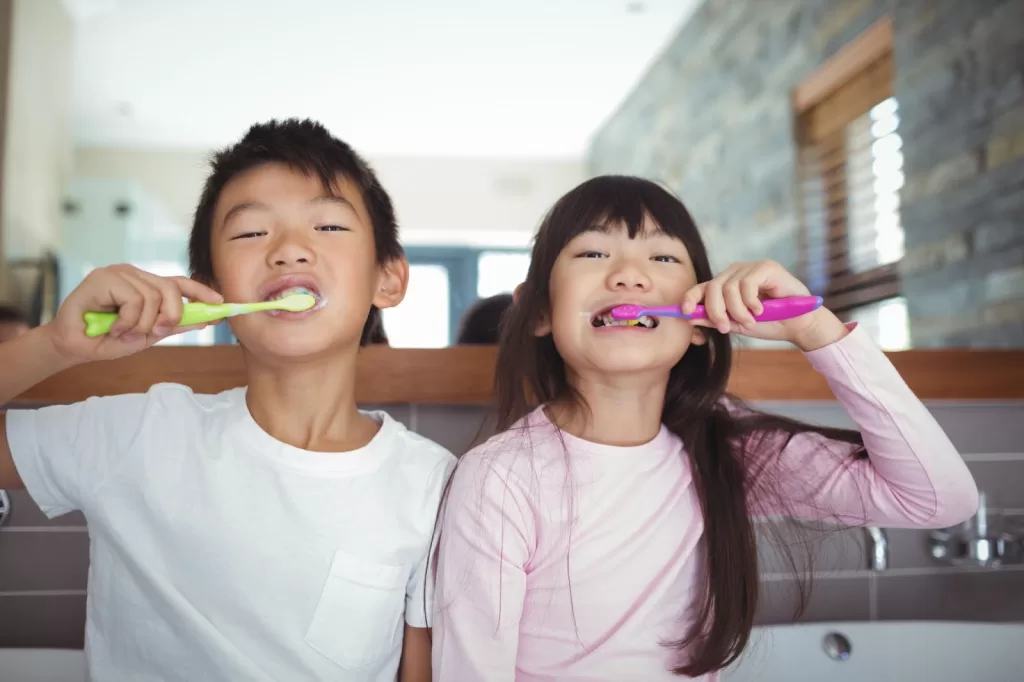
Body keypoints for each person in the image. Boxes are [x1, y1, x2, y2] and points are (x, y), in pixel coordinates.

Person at [431, 175, 979, 681]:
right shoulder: (499, 478)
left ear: (701, 321)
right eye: (593, 252)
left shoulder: (729, 452)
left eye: (663, 255)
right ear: (538, 312)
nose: (628, 273)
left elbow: (938, 501)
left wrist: (816, 329)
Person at [0, 119, 454, 682]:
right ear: (207, 291)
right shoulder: (143, 433)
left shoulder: (434, 483)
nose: (289, 251)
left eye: (329, 224)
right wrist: (53, 345)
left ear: (388, 279)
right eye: (251, 234)